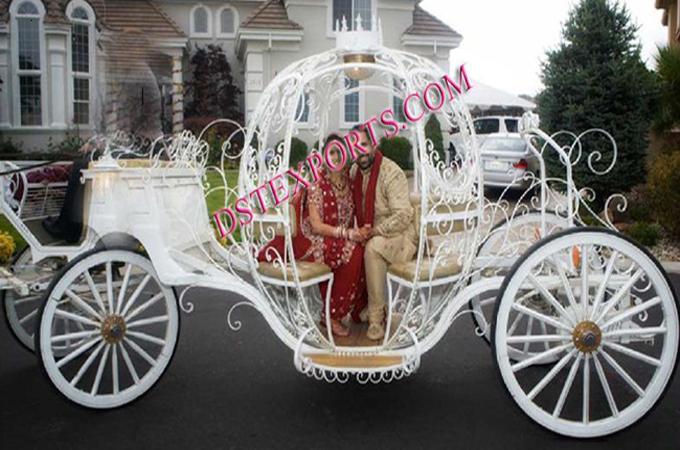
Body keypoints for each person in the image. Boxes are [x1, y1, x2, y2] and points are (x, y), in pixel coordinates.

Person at [259, 134, 368, 337]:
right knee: (352, 250)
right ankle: (331, 316)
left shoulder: (350, 183)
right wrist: (348, 233)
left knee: (362, 248)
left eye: (340, 152)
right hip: (311, 239)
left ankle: (355, 308)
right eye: (332, 152)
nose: (336, 157)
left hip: (337, 238)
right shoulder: (317, 183)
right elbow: (317, 226)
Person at [351, 125, 417, 340]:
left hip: (400, 236)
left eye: (364, 144)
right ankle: (349, 307)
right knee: (346, 246)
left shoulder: (391, 172)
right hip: (371, 232)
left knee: (372, 248)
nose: (360, 151)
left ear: (374, 145)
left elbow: (403, 216)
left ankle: (376, 317)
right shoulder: (354, 172)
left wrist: (375, 231)